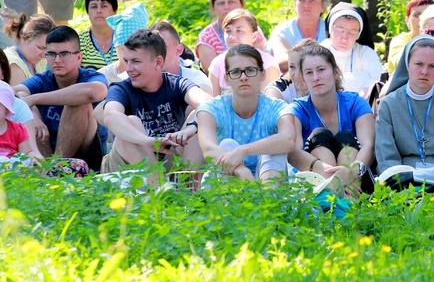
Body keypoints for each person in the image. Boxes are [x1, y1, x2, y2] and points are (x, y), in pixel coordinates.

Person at [100, 29, 212, 175]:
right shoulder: (121, 88)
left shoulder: (176, 84)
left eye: (136, 61)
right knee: (132, 122)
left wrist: (189, 129)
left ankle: (189, 188)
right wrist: (146, 141)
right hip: (127, 166)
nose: (128, 69)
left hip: (168, 159)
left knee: (197, 119)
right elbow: (110, 115)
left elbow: (209, 103)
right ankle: (157, 191)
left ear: (158, 62)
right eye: (126, 61)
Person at [14, 25, 108, 171]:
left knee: (79, 101)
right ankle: (47, 170)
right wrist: (33, 114)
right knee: (27, 108)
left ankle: (56, 169)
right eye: (51, 54)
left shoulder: (91, 76)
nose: (57, 60)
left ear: (78, 57)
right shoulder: (43, 79)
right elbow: (15, 94)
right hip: (47, 150)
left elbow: (93, 92)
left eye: (64, 54)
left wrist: (35, 99)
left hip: (88, 154)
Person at [197, 44, 295, 183]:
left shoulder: (276, 107)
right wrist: (240, 170)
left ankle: (269, 201)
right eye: (236, 72)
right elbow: (208, 149)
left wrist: (243, 150)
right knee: (227, 145)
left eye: (250, 70)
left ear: (262, 74)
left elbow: (288, 140)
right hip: (228, 182)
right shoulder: (212, 109)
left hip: (268, 180)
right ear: (226, 79)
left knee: (274, 151)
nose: (243, 77)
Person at [376, 34, 434, 179]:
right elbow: (387, 158)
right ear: (407, 65)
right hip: (403, 177)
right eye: (419, 64)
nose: (424, 72)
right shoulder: (389, 104)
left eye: (432, 66)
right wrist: (403, 185)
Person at [285, 44, 375, 192]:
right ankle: (335, 197)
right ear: (302, 78)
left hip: (356, 177)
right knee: (319, 136)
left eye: (321, 70)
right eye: (309, 72)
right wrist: (330, 174)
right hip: (316, 181)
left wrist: (351, 172)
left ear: (335, 72)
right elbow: (293, 152)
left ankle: (348, 201)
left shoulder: (356, 102)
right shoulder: (297, 109)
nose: (316, 77)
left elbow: (369, 146)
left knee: (346, 138)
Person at [208, 9, 279, 96]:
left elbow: (268, 102)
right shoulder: (217, 63)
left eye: (239, 31)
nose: (232, 37)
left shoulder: (268, 63)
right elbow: (212, 103)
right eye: (228, 31)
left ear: (254, 36)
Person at [320, 3, 382, 96]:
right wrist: (362, 79)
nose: (345, 38)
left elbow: (378, 81)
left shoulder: (366, 53)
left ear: (359, 34)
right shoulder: (318, 52)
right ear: (330, 28)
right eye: (341, 31)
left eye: (352, 33)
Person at [269, 0, 329, 73]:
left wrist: (297, 61)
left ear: (323, 6)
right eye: (301, 0)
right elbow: (282, 62)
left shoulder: (331, 31)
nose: (306, 5)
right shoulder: (282, 31)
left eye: (312, 1)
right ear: (295, 3)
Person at [149, 22, 211, 94]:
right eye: (151, 48)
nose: (156, 53)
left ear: (178, 50)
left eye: (162, 47)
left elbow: (203, 101)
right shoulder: (140, 81)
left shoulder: (195, 79)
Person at [195, 0, 246, 73]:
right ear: (213, 8)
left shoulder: (253, 29)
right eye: (221, 3)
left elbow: (261, 62)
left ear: (241, 5)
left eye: (231, 2)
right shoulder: (206, 37)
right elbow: (213, 72)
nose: (227, 7)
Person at [386, 0, 434, 74]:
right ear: (407, 21)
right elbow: (401, 61)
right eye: (416, 15)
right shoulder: (400, 41)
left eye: (428, 15)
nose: (422, 19)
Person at [3, 13, 55, 85]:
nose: (43, 55)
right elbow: (19, 96)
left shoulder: (38, 60)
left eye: (48, 50)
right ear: (24, 38)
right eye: (40, 47)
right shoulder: (14, 63)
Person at [0, 81, 42, 167]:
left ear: (7, 109)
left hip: (13, 174)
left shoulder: (17, 129)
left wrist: (34, 158)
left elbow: (26, 153)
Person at [264, 38, 315, 103]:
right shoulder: (280, 86)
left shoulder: (325, 84)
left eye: (303, 66)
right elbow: (271, 103)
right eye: (292, 67)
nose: (297, 74)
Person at [79, 0, 118, 70]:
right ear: (87, 12)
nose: (99, 11)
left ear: (114, 11)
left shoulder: (124, 39)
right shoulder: (79, 41)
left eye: (104, 6)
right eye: (94, 7)